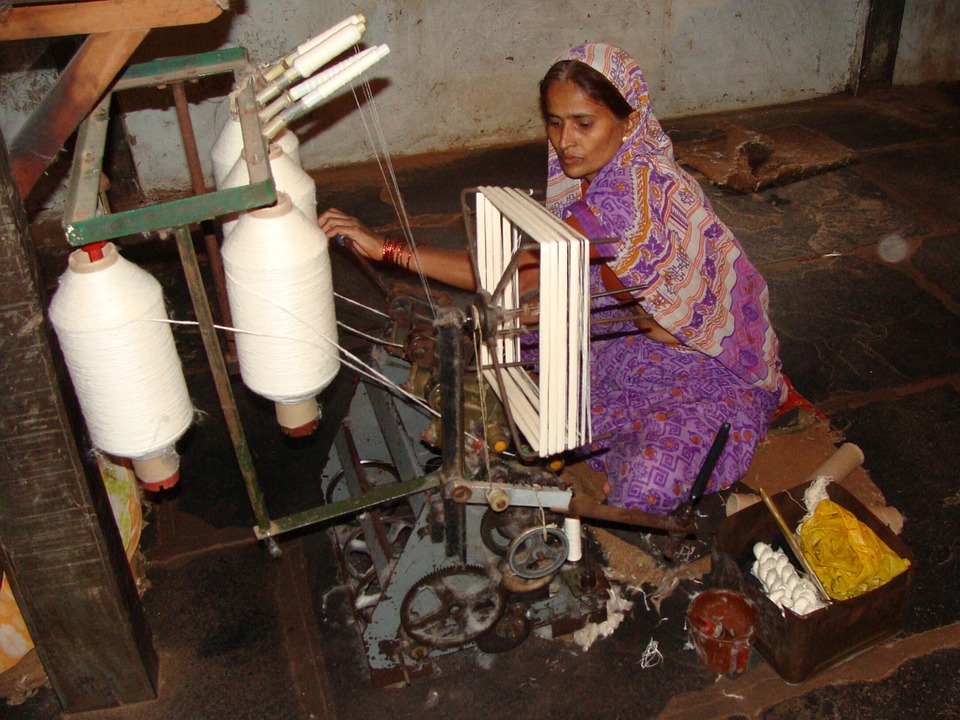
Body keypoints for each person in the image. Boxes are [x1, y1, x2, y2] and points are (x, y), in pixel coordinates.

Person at [319, 42, 787, 514]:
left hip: (707, 367)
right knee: (518, 361)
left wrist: (389, 250)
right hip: (631, 340)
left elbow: (517, 276)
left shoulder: (629, 195)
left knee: (644, 478)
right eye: (555, 121)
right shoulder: (605, 175)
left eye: (584, 123)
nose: (566, 140)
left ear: (627, 122)